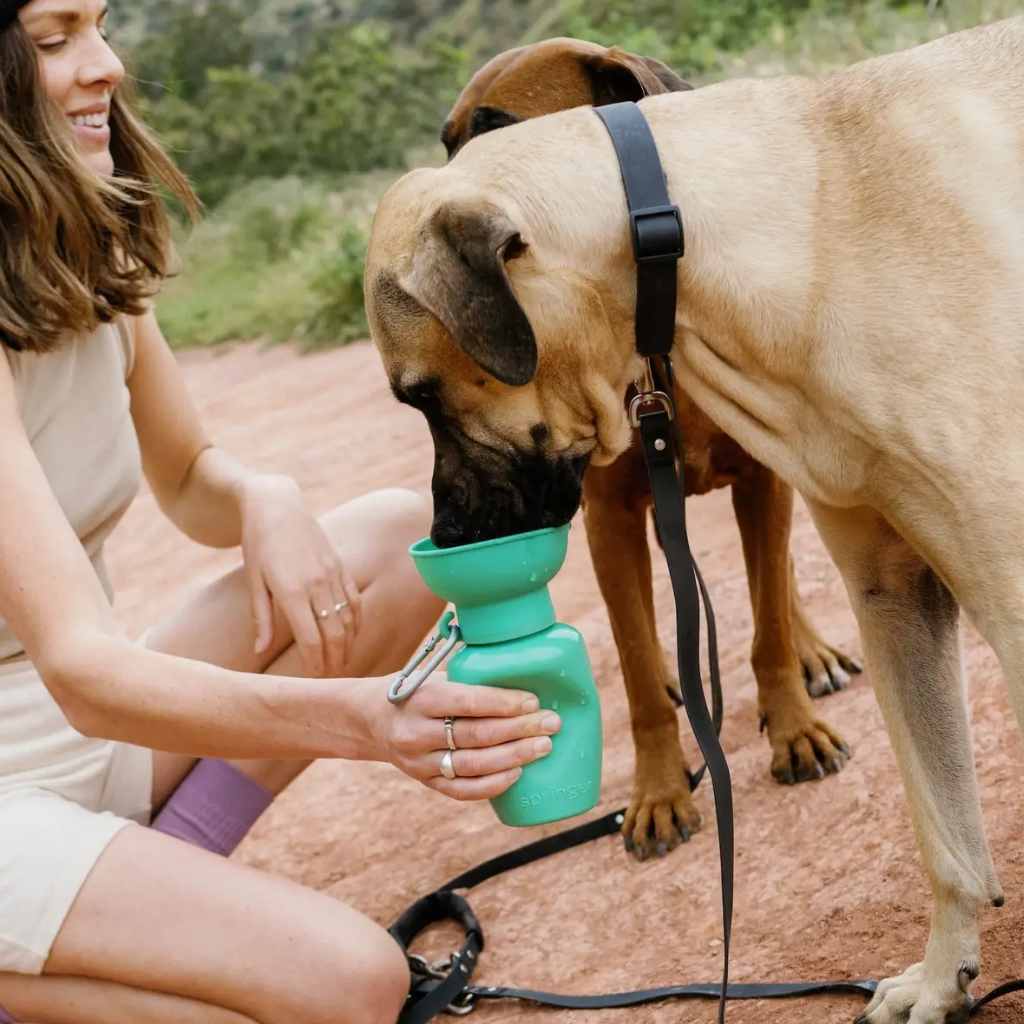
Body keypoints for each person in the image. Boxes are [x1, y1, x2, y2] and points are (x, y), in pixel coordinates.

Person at [0, 2, 564, 1022]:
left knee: (392, 545)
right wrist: (365, 721)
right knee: (349, 986)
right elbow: (85, 671)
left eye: (101, 25)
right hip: (37, 749)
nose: (107, 67)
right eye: (53, 41)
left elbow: (187, 478)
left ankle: (139, 901)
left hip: (67, 739)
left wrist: (267, 496)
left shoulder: (73, 250)